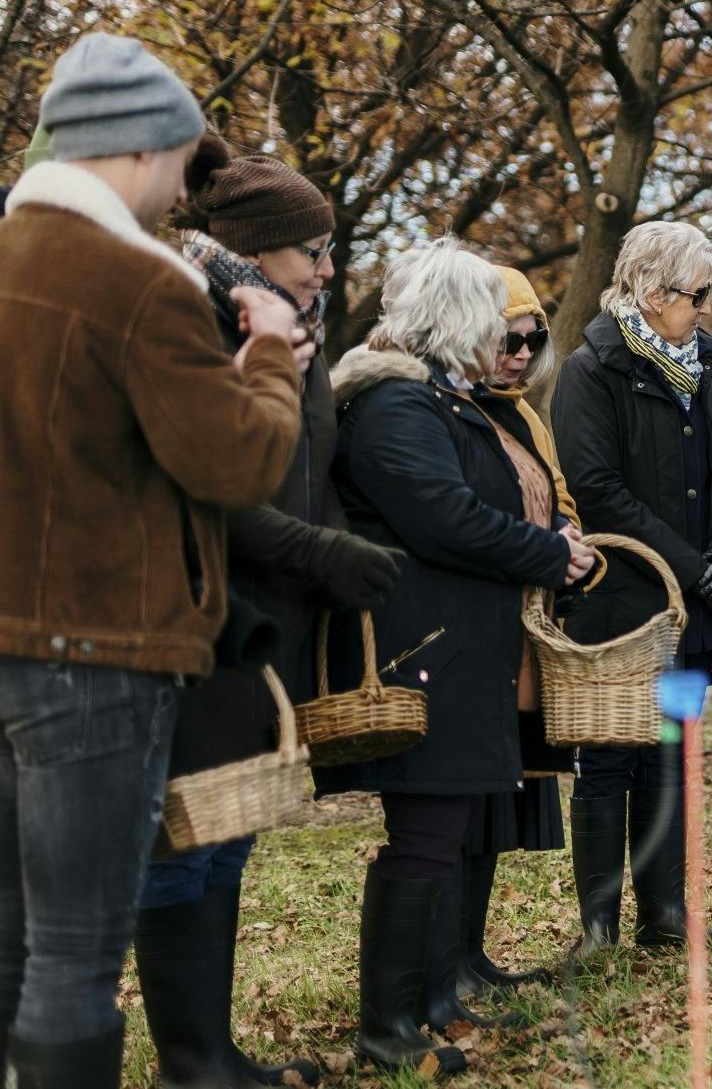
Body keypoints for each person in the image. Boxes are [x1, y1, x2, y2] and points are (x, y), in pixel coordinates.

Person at [0, 34, 304, 1087]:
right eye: (174, 163)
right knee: (76, 946)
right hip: (96, 650)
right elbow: (237, 459)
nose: (176, 194)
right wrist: (268, 354)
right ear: (136, 149)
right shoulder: (137, 281)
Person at [131, 138, 406, 1089]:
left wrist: (335, 551)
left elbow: (304, 466)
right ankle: (189, 1062)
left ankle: (215, 1052)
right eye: (313, 248)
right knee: (189, 830)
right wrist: (314, 548)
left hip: (272, 616)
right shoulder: (199, 317)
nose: (328, 265)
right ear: (253, 245)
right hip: (203, 612)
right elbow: (208, 481)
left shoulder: (302, 326)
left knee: (231, 830)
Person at [321, 240, 594, 1078]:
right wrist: (549, 553)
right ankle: (386, 1026)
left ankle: (429, 1004)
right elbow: (445, 517)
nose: (504, 344)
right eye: (489, 325)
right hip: (424, 646)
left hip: (462, 644)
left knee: (442, 831)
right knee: (424, 836)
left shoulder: (442, 399)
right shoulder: (397, 407)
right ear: (454, 321)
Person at [551, 223, 712, 953]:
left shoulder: (700, 368)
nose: (706, 309)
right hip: (620, 612)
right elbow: (596, 488)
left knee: (673, 748)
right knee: (609, 756)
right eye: (697, 295)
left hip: (690, 617)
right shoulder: (590, 371)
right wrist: (685, 561)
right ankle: (599, 926)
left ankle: (664, 914)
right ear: (652, 290)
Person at [440, 265, 578, 1000]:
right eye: (507, 338)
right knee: (462, 799)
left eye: (532, 339)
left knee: (499, 789)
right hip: (475, 630)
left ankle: (472, 952)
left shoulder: (524, 412)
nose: (520, 352)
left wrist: (568, 532)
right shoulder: (453, 409)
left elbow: (555, 494)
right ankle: (446, 962)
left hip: (524, 627)